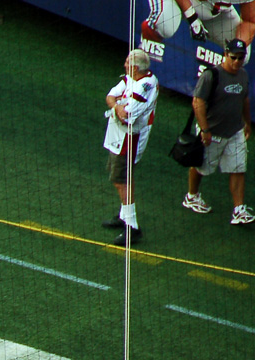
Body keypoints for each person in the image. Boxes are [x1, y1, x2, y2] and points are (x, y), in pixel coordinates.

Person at [183, 38, 254, 225]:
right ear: (225, 54)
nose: (237, 62)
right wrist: (204, 129)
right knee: (201, 167)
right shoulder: (211, 75)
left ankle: (238, 210)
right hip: (212, 132)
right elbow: (198, 102)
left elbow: (244, 100)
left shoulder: (243, 76)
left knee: (238, 168)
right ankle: (191, 196)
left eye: (241, 58)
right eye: (234, 57)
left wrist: (247, 122)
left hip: (235, 132)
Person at [102, 48, 160, 246]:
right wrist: (116, 106)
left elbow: (127, 115)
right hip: (119, 135)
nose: (124, 64)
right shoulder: (130, 78)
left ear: (136, 68)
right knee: (118, 174)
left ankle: (132, 227)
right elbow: (111, 96)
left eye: (127, 62)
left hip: (131, 137)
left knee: (121, 179)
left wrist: (118, 107)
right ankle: (123, 216)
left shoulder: (146, 85)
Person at [142, 0, 240, 45]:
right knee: (163, 25)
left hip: (213, 10)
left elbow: (250, 21)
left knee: (242, 50)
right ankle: (139, 58)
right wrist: (192, 18)